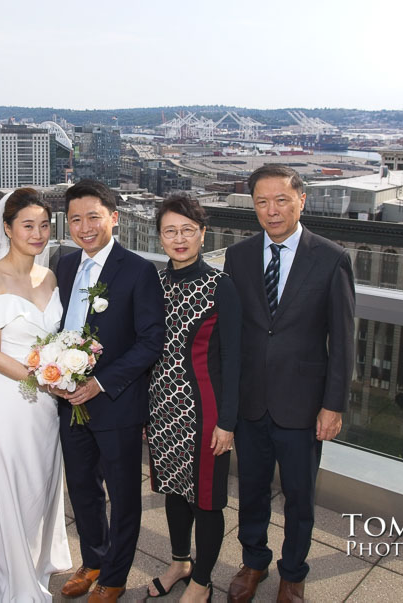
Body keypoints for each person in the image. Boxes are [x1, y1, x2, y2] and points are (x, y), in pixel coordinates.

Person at [223, 165, 355, 603]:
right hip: (251, 402)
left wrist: (333, 405)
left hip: (303, 403)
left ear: (302, 200)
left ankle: (293, 572)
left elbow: (343, 339)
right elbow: (234, 332)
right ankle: (254, 561)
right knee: (252, 490)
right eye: (261, 202)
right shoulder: (239, 256)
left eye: (281, 200)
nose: (271, 210)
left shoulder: (331, 257)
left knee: (300, 498)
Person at [53, 179, 166, 603]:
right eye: (76, 219)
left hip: (116, 402)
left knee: (122, 495)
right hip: (69, 403)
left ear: (113, 219)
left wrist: (100, 382)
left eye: (93, 217)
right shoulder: (65, 265)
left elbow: (151, 340)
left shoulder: (138, 270)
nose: (84, 227)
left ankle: (114, 576)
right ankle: (93, 560)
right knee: (81, 488)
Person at [0, 188, 72, 602]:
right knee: (14, 488)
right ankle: (15, 577)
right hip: (10, 404)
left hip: (46, 407)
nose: (38, 233)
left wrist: (62, 369)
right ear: (7, 229)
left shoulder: (49, 276)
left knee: (42, 485)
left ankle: (34, 558)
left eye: (44, 225)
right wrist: (44, 379)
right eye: (28, 225)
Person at [146, 194, 241, 602]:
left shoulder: (221, 286)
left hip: (205, 413)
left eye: (188, 230)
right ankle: (180, 562)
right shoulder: (154, 283)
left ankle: (202, 581)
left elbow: (236, 360)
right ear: (161, 237)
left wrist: (228, 422)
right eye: (171, 231)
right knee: (172, 489)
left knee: (206, 500)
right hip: (162, 408)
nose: (179, 239)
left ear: (203, 234)